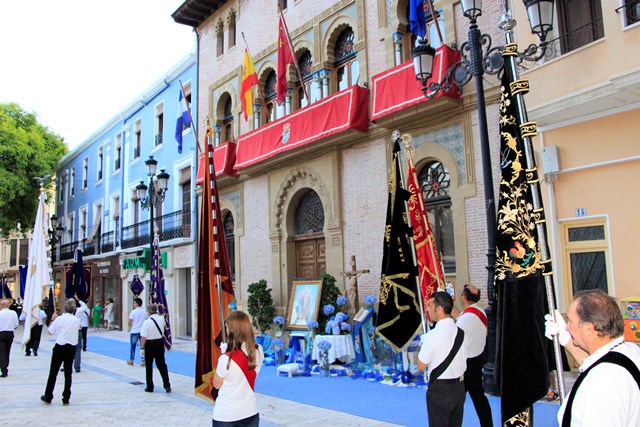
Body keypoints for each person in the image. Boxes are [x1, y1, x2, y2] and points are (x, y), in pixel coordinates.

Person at [545, 289, 640, 426]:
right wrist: (566, 340)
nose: (567, 327)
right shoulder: (629, 351)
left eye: (571, 321)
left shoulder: (602, 380)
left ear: (589, 329)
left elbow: (600, 372)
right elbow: (595, 363)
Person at [418, 291, 467, 427]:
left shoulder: (432, 336)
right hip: (459, 388)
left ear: (439, 309)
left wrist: (423, 346)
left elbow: (421, 366)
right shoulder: (461, 333)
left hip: (440, 389)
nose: (427, 309)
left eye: (429, 305)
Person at [212, 310, 264, 427]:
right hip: (250, 412)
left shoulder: (226, 360)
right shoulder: (259, 350)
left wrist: (225, 354)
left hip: (226, 415)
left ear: (232, 331)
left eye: (226, 327)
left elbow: (216, 384)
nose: (226, 330)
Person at [453, 285, 492, 427]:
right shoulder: (480, 312)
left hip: (465, 364)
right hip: (477, 360)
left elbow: (456, 339)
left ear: (464, 296)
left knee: (456, 401)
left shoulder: (465, 318)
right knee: (479, 398)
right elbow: (461, 316)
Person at [41, 298, 81, 405]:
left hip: (60, 346)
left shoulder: (59, 319)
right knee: (68, 373)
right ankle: (66, 397)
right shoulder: (77, 320)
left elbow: (50, 331)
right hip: (71, 347)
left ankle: (48, 395)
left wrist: (53, 319)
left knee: (53, 372)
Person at [140, 303, 171, 393]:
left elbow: (143, 337)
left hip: (149, 344)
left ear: (149, 311)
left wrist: (142, 348)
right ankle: (167, 385)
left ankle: (150, 386)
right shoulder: (161, 319)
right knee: (162, 365)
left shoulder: (147, 322)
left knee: (149, 366)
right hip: (159, 343)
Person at [0, 298, 19, 377]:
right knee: (7, 351)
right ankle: (5, 366)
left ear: (2, 305)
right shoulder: (13, 313)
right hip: (10, 333)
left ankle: (3, 368)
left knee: (2, 352)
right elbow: (16, 324)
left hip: (1, 333)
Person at [71, 297, 90, 373]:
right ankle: (77, 366)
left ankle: (65, 365)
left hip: (69, 332)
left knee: (67, 348)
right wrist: (78, 299)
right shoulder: (78, 311)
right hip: (77, 330)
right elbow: (84, 306)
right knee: (77, 349)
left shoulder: (65, 314)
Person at [128, 298, 147, 366]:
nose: (133, 304)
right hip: (142, 331)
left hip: (134, 331)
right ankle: (142, 360)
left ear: (136, 304)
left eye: (134, 303)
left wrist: (132, 326)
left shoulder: (133, 312)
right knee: (143, 346)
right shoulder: (145, 311)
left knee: (133, 346)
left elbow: (129, 322)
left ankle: (131, 360)